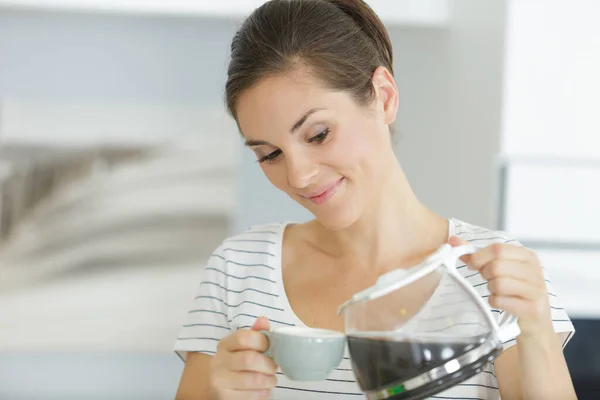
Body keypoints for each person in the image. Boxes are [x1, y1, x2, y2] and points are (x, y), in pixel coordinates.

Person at [174, 0, 576, 399]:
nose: (298, 175)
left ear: (383, 97)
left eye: (318, 135)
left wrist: (537, 328)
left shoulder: (498, 276)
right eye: (270, 154)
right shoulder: (239, 270)